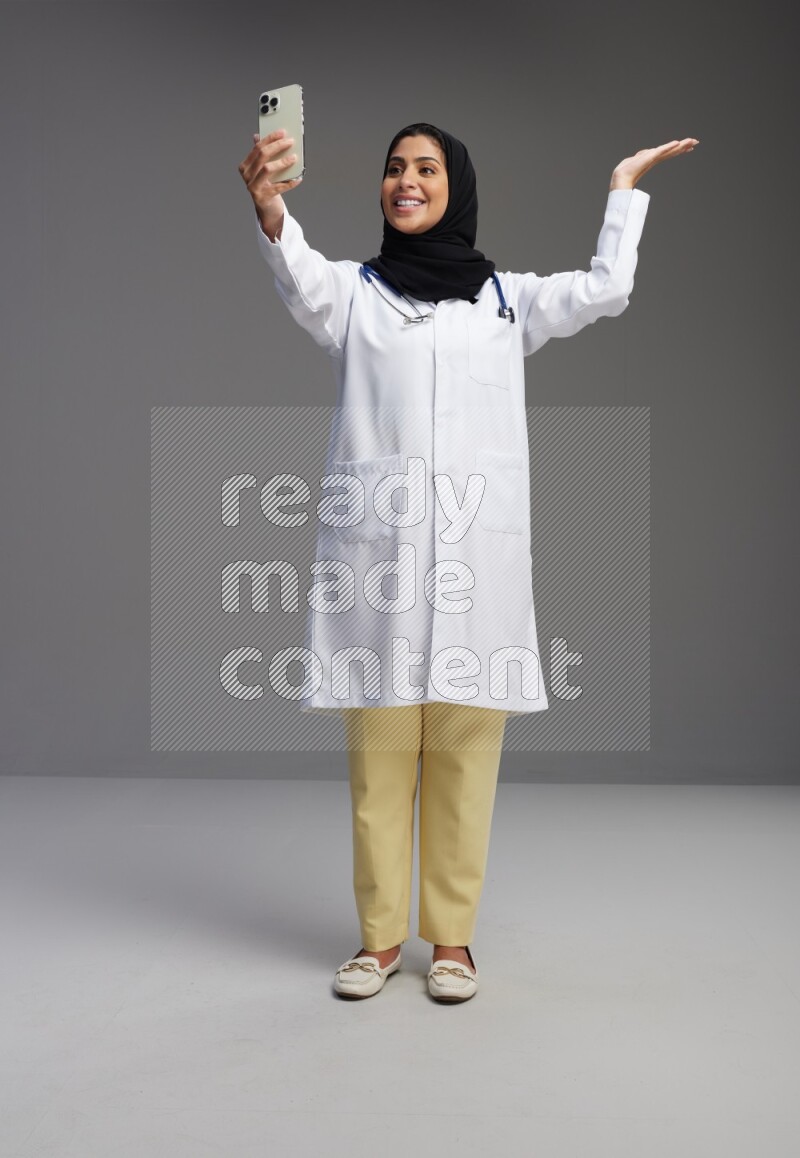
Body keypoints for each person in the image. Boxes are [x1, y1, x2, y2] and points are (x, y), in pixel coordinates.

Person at [238, 121, 698, 1002]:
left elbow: (607, 289)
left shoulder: (507, 300)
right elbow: (296, 274)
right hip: (382, 569)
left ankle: (451, 942)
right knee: (378, 767)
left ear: (458, 186)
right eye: (393, 169)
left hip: (472, 572)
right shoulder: (355, 296)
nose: (405, 182)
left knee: (461, 760)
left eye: (426, 168)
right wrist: (268, 207)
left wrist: (623, 189)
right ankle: (377, 942)